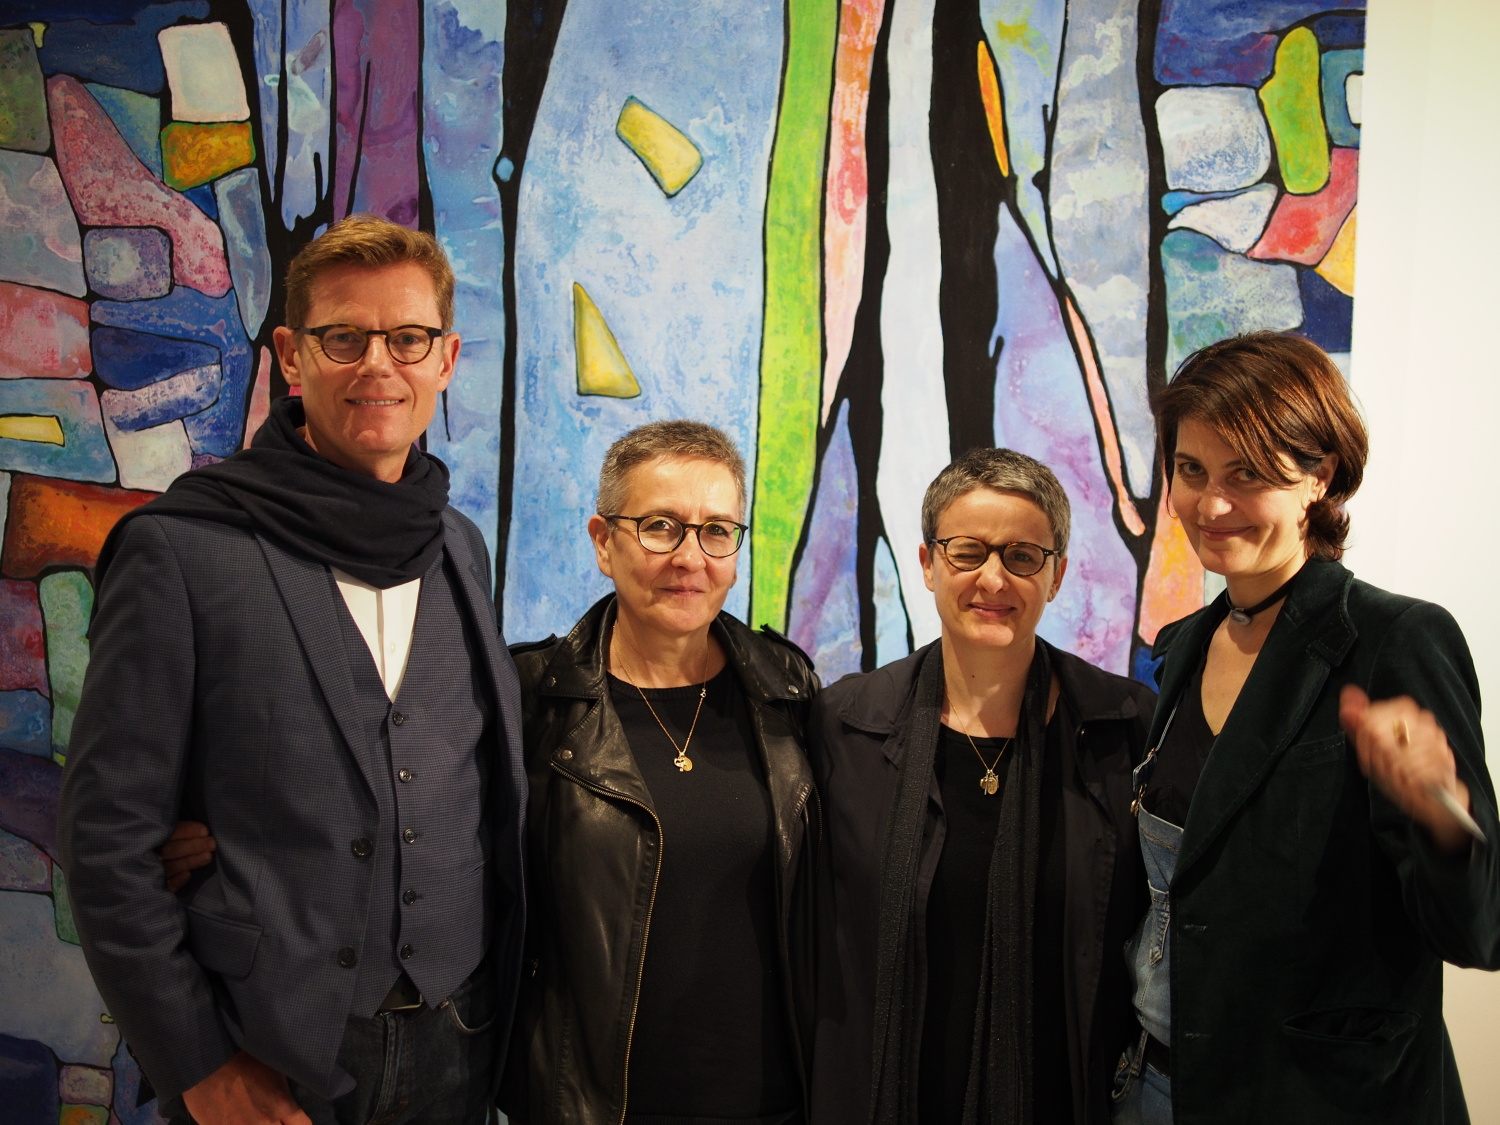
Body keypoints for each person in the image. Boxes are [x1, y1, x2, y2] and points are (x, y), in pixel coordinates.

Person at [57, 214, 528, 1124]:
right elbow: (106, 843)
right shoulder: (181, 550)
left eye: (408, 338)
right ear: (291, 356)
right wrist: (200, 1064)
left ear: (446, 359)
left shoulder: (459, 545)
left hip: (461, 1039)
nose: (378, 364)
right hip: (271, 1048)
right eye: (343, 337)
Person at [1110, 331, 1500, 1123]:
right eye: (1192, 469)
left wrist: (1440, 814)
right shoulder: (1181, 648)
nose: (1211, 504)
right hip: (1159, 1084)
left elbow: (1478, 932)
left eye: (1246, 473)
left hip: (1320, 1099)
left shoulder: (1393, 641)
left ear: (1319, 477)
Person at [809, 448, 1154, 1125]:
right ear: (928, 563)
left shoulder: (1122, 728)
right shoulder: (844, 726)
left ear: (1055, 575)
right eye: (968, 552)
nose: (993, 578)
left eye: (1022, 556)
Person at [500, 420, 818, 1124]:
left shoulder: (789, 692)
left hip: (768, 1105)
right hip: (593, 1107)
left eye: (716, 531)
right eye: (660, 527)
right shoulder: (532, 700)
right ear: (603, 541)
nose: (690, 557)